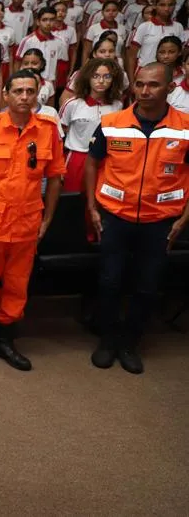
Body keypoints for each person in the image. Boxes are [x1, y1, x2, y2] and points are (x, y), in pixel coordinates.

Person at [0, 70, 66, 371]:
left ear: (38, 94)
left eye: (30, 91)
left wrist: (47, 219)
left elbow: (55, 178)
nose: (24, 97)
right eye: (17, 91)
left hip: (27, 224)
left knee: (18, 285)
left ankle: (5, 339)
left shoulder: (47, 129)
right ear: (5, 95)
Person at [85, 63, 189, 374]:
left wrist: (185, 218)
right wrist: (91, 207)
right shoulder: (112, 123)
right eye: (140, 84)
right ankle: (107, 340)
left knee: (146, 285)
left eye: (153, 85)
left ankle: (130, 342)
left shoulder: (184, 127)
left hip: (161, 221)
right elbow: (92, 163)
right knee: (110, 281)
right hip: (115, 217)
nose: (144, 91)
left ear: (170, 87)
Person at [60, 58, 124, 194]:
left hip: (103, 159)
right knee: (72, 199)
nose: (101, 81)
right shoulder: (72, 104)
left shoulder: (117, 105)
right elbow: (59, 135)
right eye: (96, 76)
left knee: (99, 197)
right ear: (87, 78)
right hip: (77, 158)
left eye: (107, 76)